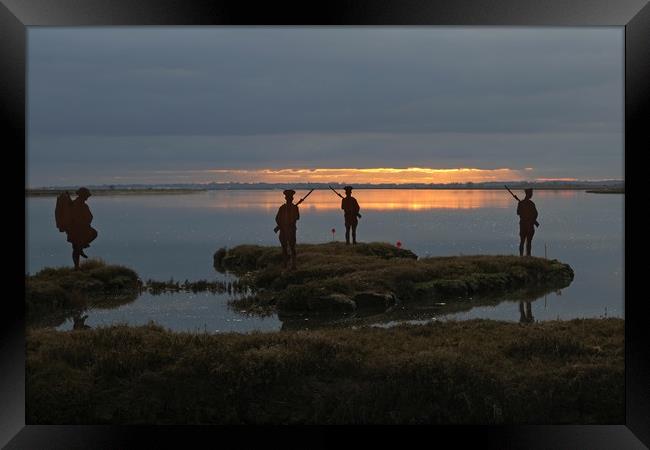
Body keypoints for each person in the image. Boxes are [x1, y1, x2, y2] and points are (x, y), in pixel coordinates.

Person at [66, 187, 98, 270]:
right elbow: (76, 218)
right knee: (76, 247)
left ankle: (81, 248)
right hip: (77, 229)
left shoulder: (80, 204)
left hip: (80, 228)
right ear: (83, 195)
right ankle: (77, 266)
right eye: (87, 195)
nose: (88, 197)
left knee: (77, 247)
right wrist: (83, 224)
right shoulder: (77, 204)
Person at [275, 189, 300, 269]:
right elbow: (277, 219)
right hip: (284, 231)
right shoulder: (283, 208)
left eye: (290, 198)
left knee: (291, 248)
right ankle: (286, 264)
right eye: (288, 198)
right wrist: (281, 225)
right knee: (285, 248)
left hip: (291, 231)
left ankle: (293, 265)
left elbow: (297, 218)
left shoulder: (294, 208)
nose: (289, 199)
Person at [516, 188, 538, 256]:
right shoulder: (531, 204)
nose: (531, 195)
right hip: (528, 225)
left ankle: (522, 256)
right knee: (528, 242)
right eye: (531, 193)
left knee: (522, 241)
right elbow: (535, 214)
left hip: (523, 224)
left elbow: (518, 212)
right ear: (529, 194)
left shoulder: (521, 203)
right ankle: (528, 256)